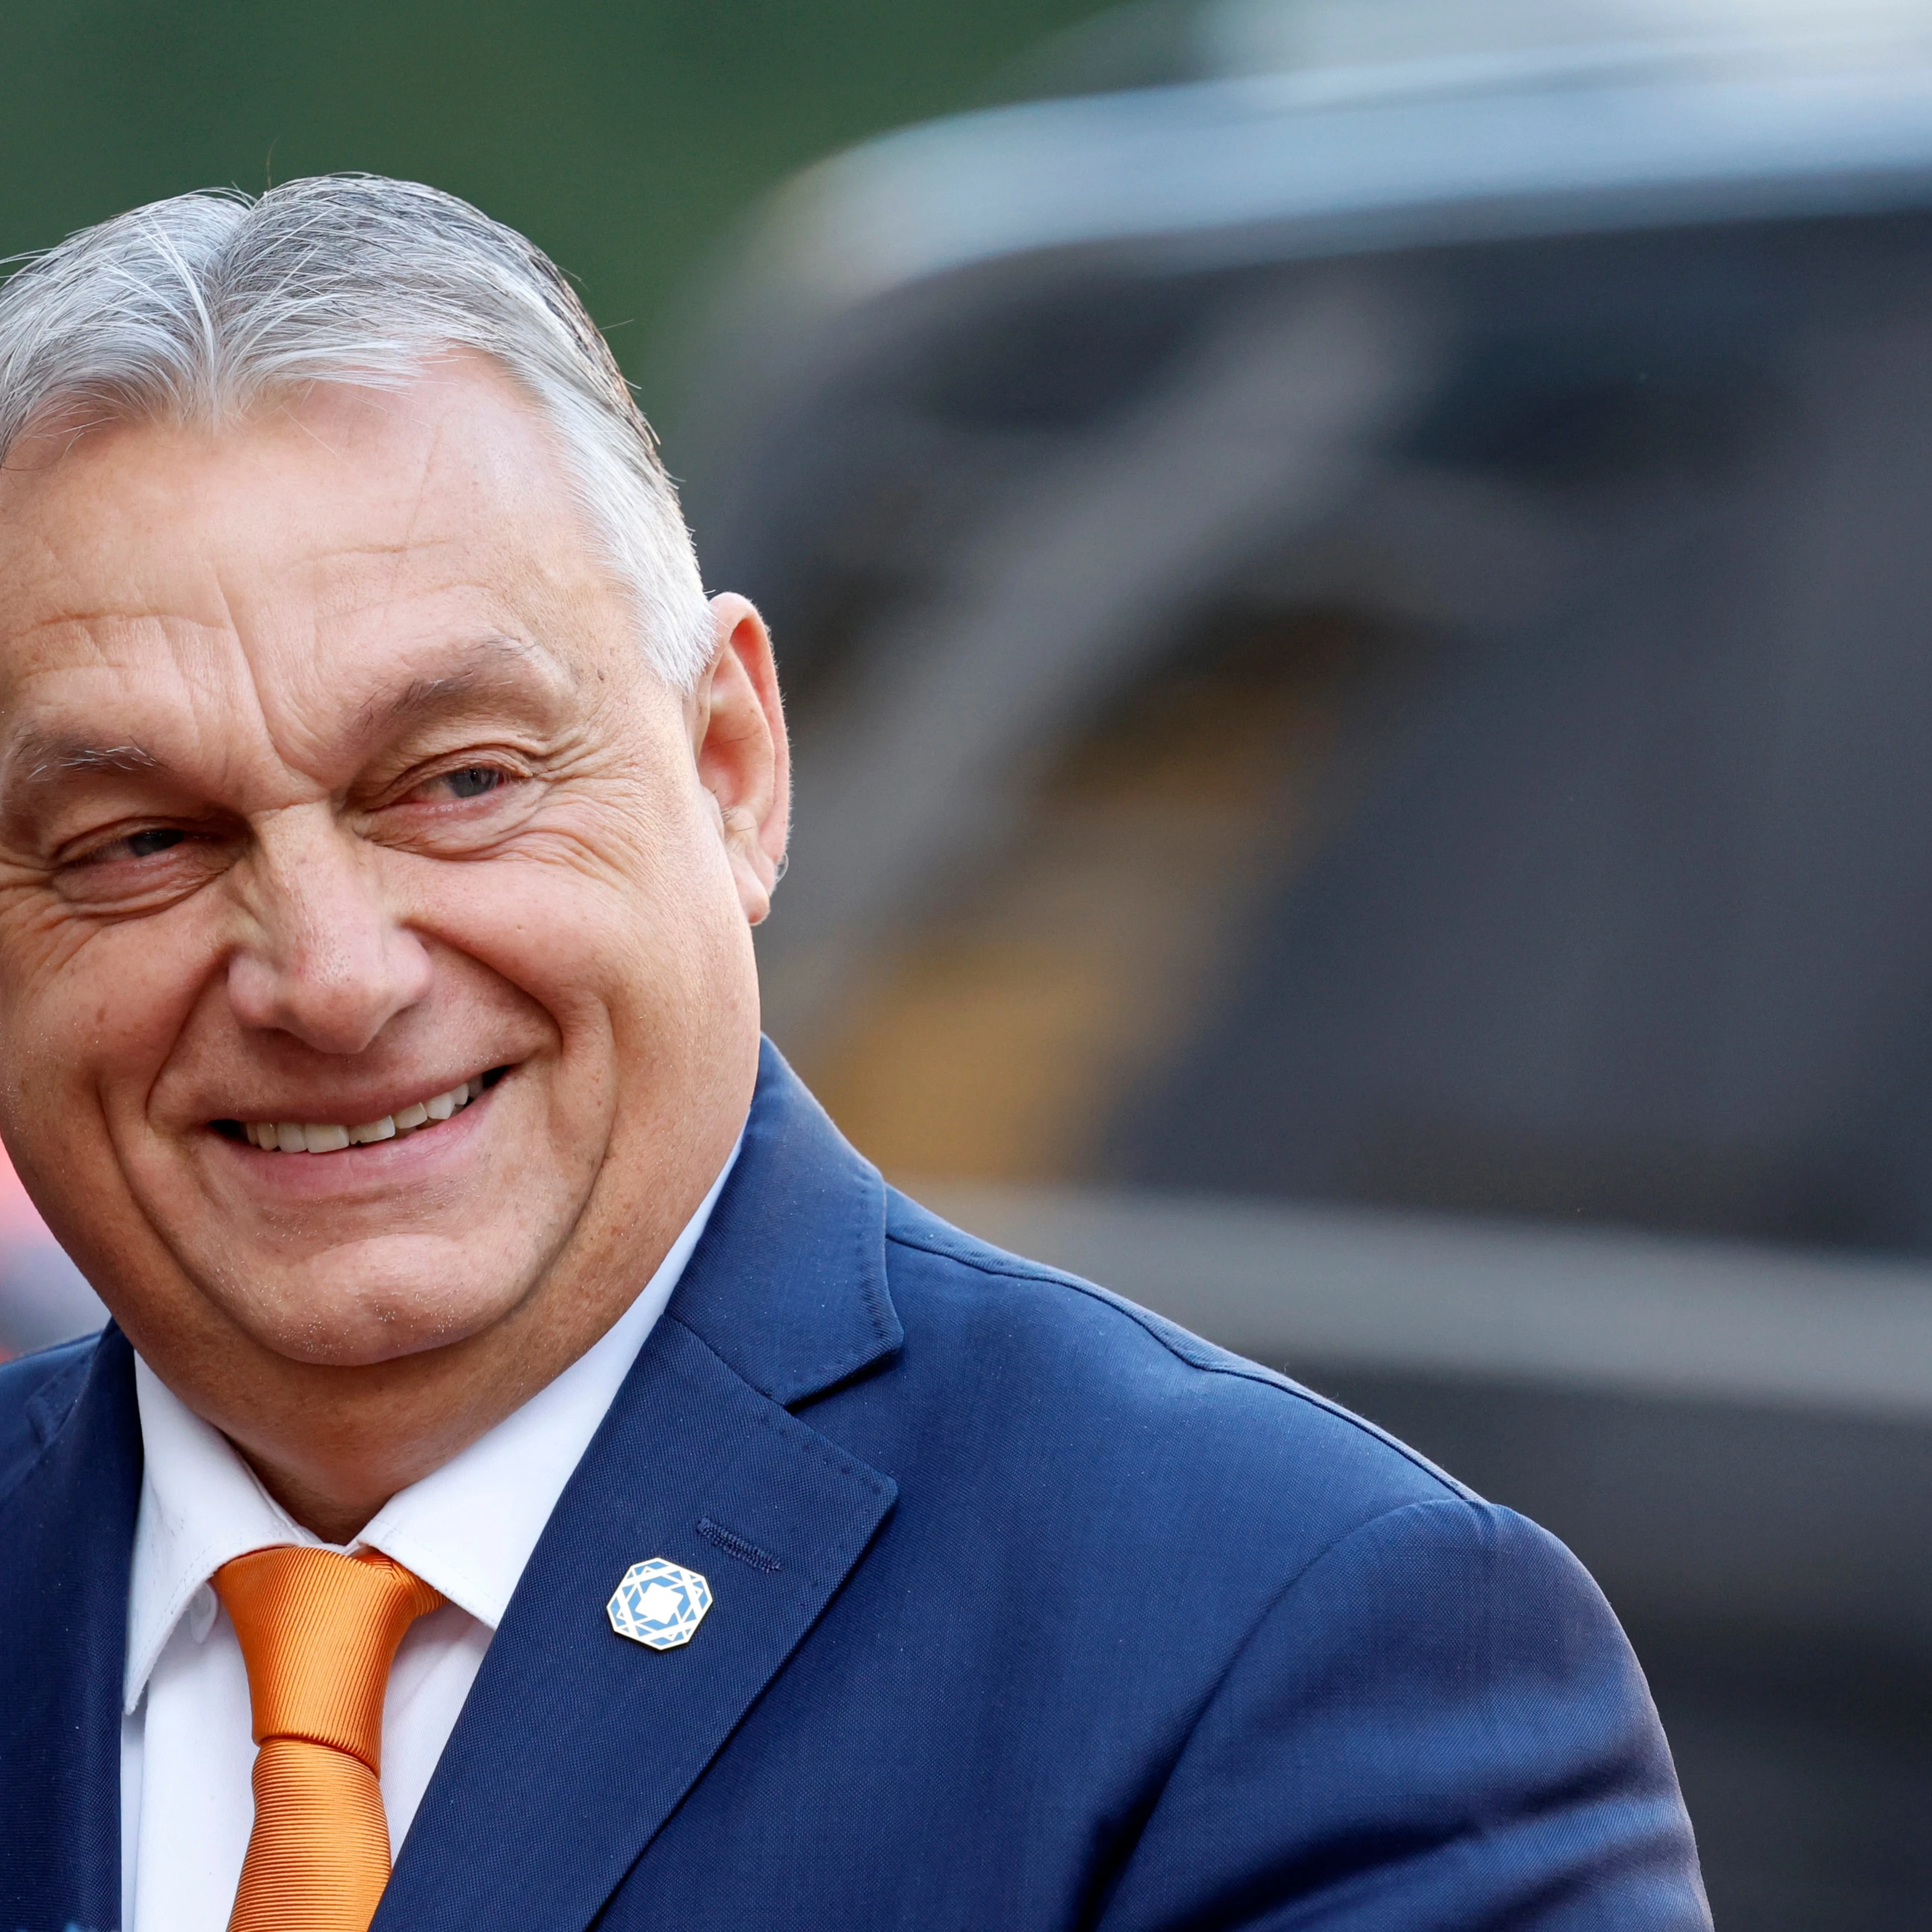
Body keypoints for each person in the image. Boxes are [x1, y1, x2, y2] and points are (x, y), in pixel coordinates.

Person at [0, 176, 1709, 1932]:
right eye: (140, 843)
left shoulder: (1278, 1646)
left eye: (461, 783)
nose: (331, 977)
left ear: (732, 767)